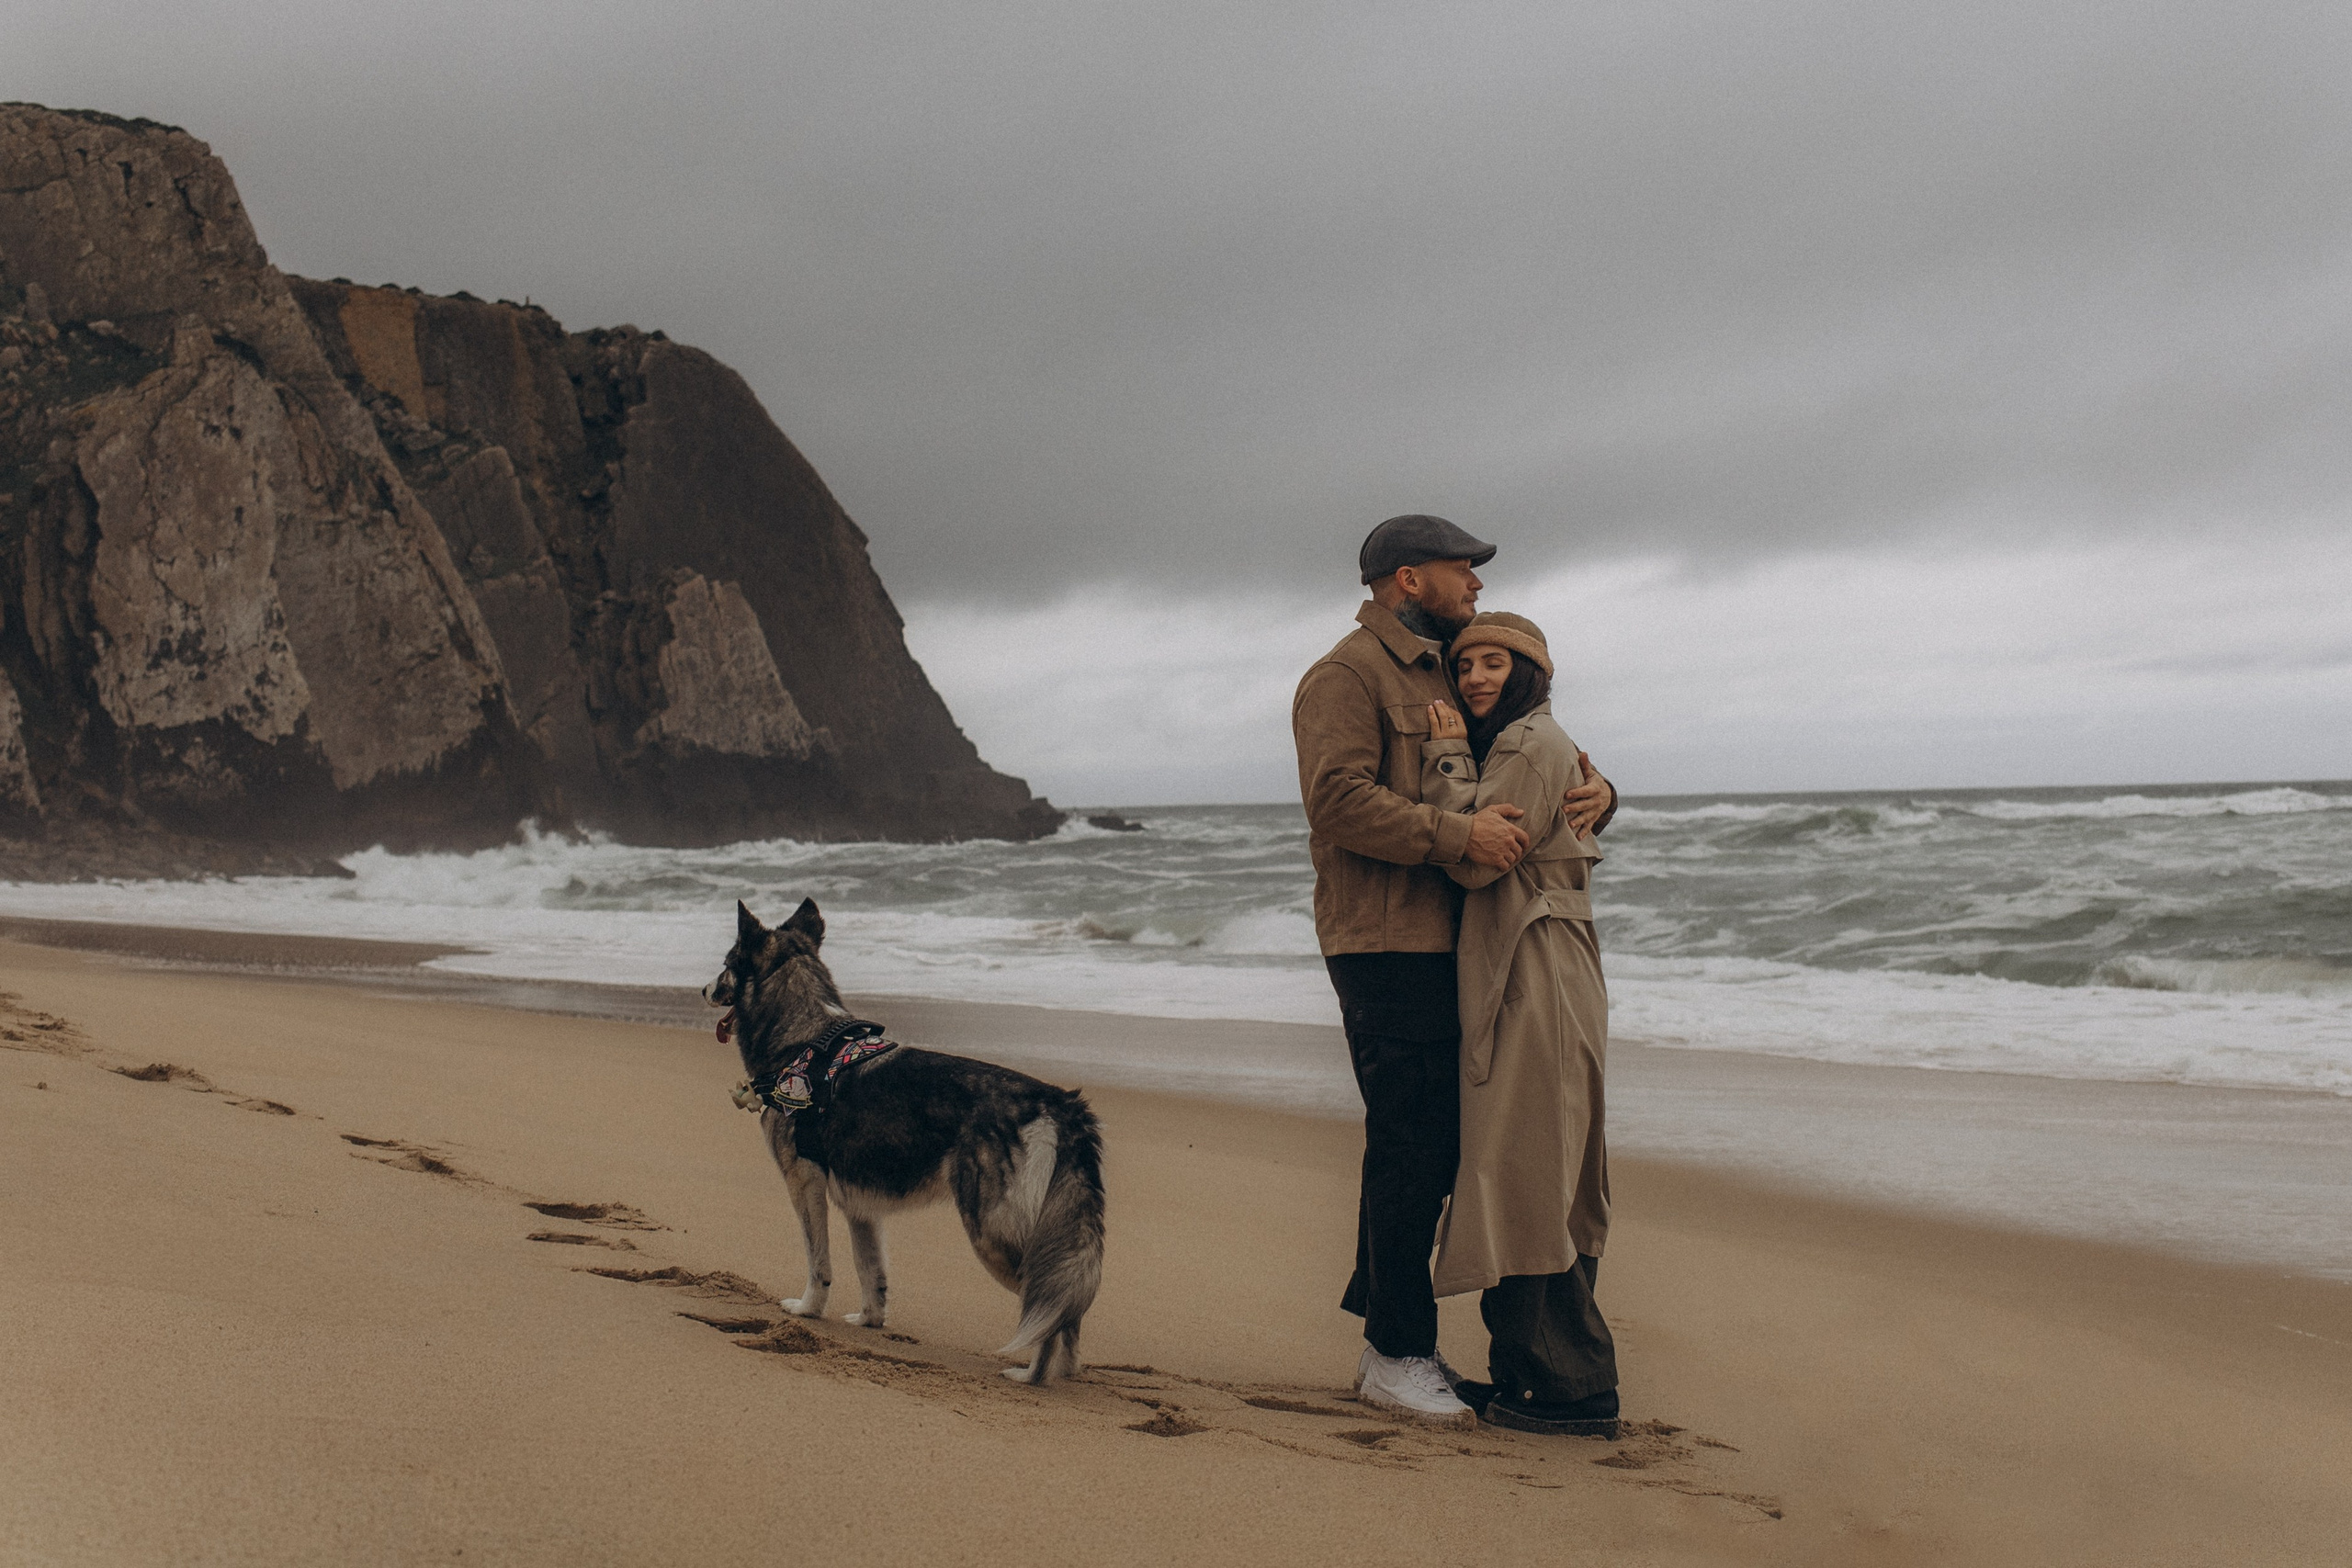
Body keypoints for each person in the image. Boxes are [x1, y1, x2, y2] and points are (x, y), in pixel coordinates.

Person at [1291, 516, 1613, 1427]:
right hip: (1382, 942)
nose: (1474, 580)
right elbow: (1337, 799)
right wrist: (1457, 835)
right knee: (1412, 1148)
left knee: (1432, 1151)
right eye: (1459, 567)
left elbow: (1525, 770)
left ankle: (1397, 1339)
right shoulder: (1345, 675)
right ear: (1405, 580)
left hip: (1460, 945)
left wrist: (1605, 794)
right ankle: (1393, 1353)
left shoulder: (1452, 666)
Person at [1420, 611, 1620, 1437]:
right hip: (1541, 960)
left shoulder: (1527, 744)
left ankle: (1569, 1386)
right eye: (1463, 666)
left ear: (1529, 671)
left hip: (1537, 967)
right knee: (1538, 1158)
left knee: (1531, 1161)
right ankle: (1531, 1374)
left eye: (1492, 663)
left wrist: (1442, 757)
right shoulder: (1531, 742)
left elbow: (1481, 852)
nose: (1472, 678)